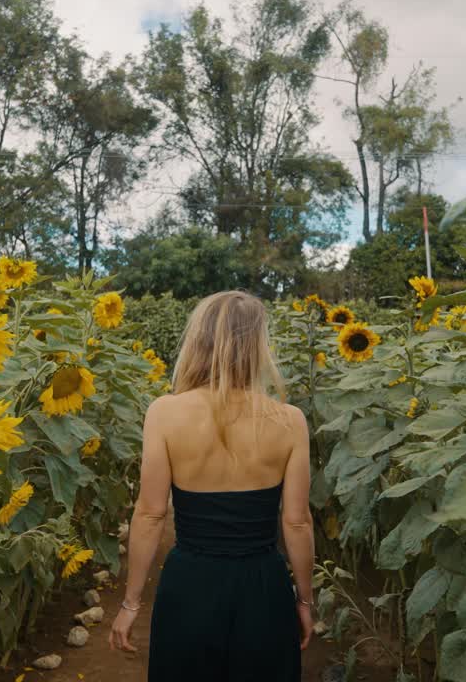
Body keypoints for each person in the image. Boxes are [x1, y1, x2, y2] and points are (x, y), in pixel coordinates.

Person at [108, 290, 315, 680]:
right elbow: (297, 522)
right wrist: (304, 600)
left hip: (190, 586)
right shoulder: (289, 420)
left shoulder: (164, 413)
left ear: (198, 340)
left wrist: (131, 603)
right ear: (258, 346)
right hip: (263, 588)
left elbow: (151, 514)